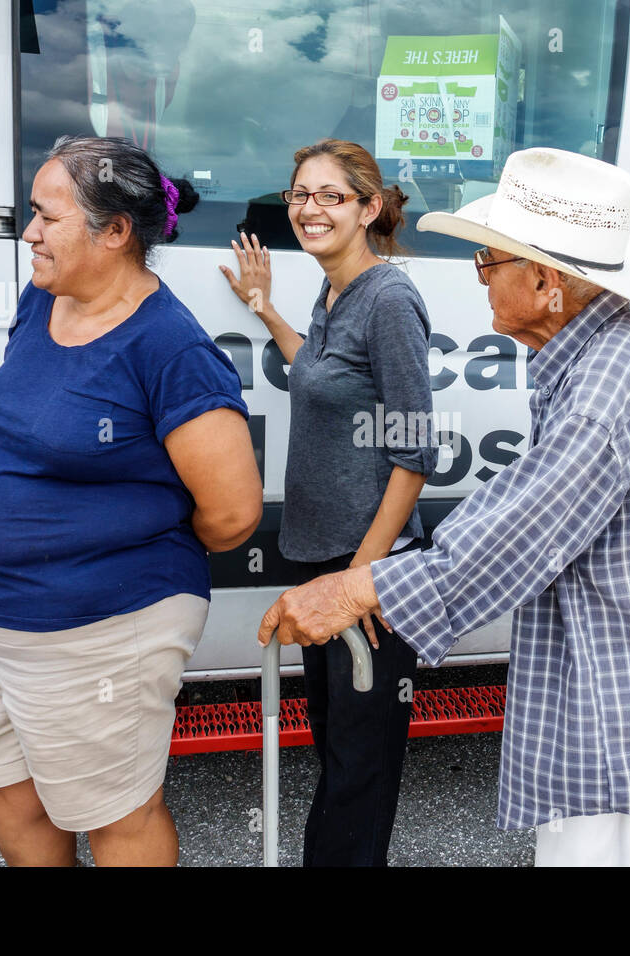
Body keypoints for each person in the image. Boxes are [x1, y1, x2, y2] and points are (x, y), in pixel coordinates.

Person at [256, 147, 630, 867]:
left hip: (629, 715)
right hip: (626, 695)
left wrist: (356, 589)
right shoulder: (609, 352)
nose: (481, 278)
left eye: (489, 261)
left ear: (546, 282)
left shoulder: (607, 383)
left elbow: (519, 529)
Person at [0, 135, 262, 866]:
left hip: (100, 628)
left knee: (118, 816)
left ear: (114, 232)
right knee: (11, 797)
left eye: (47, 217)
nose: (29, 233)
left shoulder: (172, 349)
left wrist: (116, 545)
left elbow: (233, 513)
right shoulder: (43, 301)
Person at [219, 139, 435, 867]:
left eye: (330, 196)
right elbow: (315, 368)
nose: (309, 208)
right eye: (299, 194)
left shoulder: (389, 299)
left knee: (357, 771)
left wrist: (360, 579)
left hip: (367, 570)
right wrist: (264, 308)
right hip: (324, 559)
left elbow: (415, 453)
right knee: (338, 749)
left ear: (368, 209)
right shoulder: (334, 288)